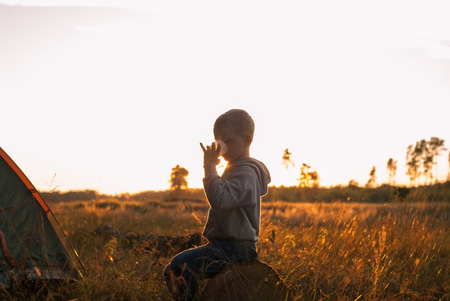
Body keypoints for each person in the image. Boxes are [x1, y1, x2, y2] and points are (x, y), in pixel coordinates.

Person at [163, 109, 271, 301]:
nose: (222, 148)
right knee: (175, 268)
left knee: (178, 267)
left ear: (246, 140)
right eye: (219, 142)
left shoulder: (246, 173)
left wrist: (210, 167)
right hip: (226, 246)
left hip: (235, 249)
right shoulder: (236, 169)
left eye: (227, 142)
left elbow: (220, 199)